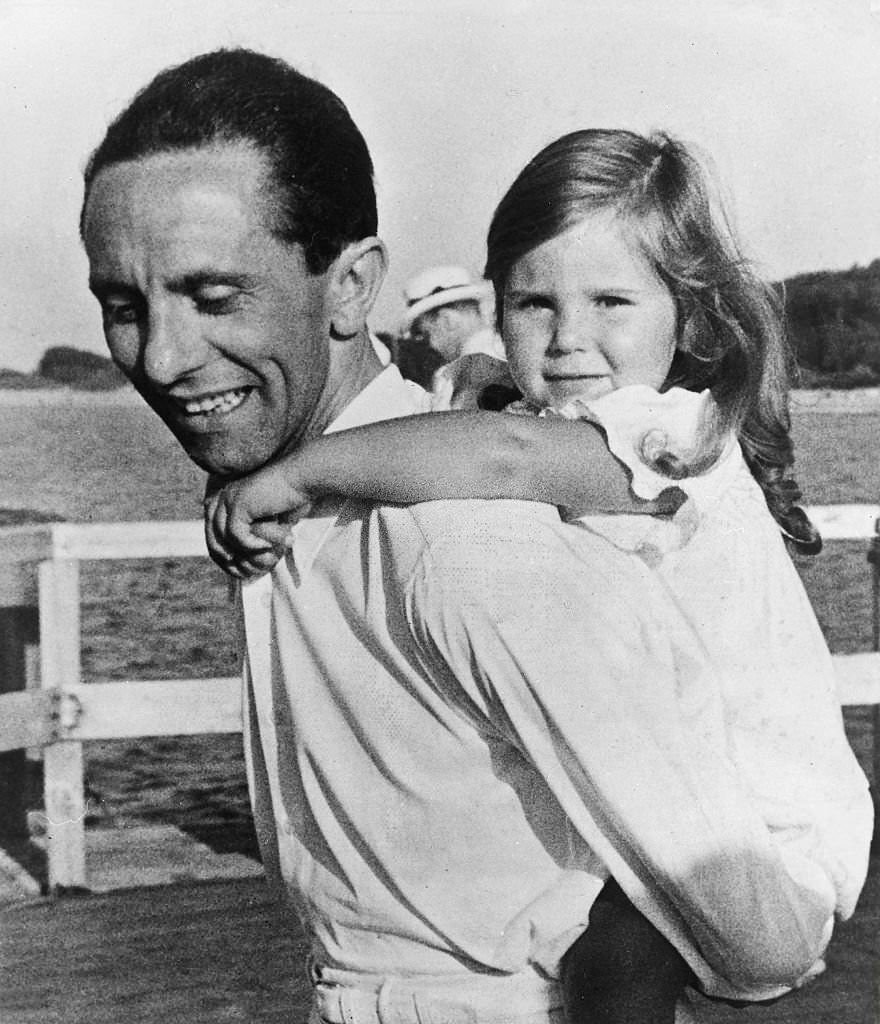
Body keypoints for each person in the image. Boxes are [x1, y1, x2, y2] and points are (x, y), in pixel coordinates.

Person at [81, 51, 862, 1024]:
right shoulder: (482, 440)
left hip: (770, 844)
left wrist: (301, 471)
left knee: (621, 962)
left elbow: (761, 937)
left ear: (353, 284)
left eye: (215, 295)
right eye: (123, 305)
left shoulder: (504, 521)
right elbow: (486, 414)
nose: (159, 356)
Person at [401, 264, 510, 409]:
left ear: (447, 320)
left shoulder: (455, 376)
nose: (431, 345)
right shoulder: (512, 351)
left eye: (425, 335)